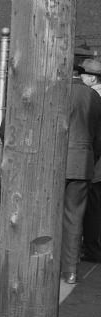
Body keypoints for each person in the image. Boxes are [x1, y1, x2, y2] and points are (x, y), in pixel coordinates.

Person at [60, 65, 101, 284]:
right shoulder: (93, 96)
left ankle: (49, 263)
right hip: (83, 162)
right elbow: (99, 137)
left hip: (55, 163)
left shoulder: (55, 90)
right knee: (74, 217)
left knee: (51, 215)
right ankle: (71, 270)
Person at [80, 59, 101, 263]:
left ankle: (91, 248)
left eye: (83, 75)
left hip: (95, 163)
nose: (81, 78)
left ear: (92, 77)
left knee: (91, 207)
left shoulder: (93, 97)